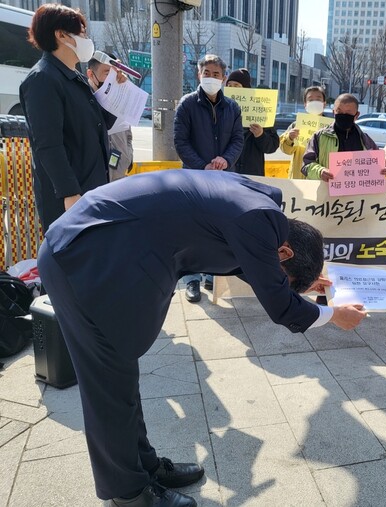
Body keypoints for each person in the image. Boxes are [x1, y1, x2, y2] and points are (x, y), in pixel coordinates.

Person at [37, 170, 368, 507]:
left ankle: (144, 469)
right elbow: (281, 307)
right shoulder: (257, 220)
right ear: (283, 252)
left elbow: (254, 267)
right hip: (83, 260)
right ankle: (129, 493)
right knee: (107, 386)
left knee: (120, 379)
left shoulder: (263, 211)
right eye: (283, 271)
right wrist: (333, 315)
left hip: (104, 253)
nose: (274, 273)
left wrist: (301, 284)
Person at [19, 3, 113, 231]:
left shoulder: (74, 77)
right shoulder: (43, 79)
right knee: (74, 261)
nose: (86, 38)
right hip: (70, 199)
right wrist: (70, 193)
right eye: (81, 33)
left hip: (92, 189)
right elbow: (48, 146)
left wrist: (115, 89)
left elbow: (101, 124)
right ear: (61, 35)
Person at [174, 54, 244, 302]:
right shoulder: (187, 104)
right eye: (207, 73)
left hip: (225, 179)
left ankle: (213, 276)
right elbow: (180, 142)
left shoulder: (233, 107)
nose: (212, 78)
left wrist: (226, 160)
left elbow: (238, 140)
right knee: (193, 230)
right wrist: (203, 166)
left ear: (224, 77)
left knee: (220, 230)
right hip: (194, 180)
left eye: (217, 74)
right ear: (199, 74)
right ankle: (192, 279)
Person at [302, 93, 379, 181]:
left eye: (348, 113)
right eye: (339, 111)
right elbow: (306, 165)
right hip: (326, 192)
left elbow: (378, 166)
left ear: (356, 115)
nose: (343, 115)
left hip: (357, 193)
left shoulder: (365, 140)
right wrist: (320, 172)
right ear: (333, 112)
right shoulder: (319, 137)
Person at [86, 52, 134, 182]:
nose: (111, 79)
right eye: (107, 74)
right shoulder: (84, 100)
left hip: (120, 174)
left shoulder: (119, 96)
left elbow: (128, 132)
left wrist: (129, 156)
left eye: (114, 74)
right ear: (90, 74)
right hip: (97, 178)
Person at [225, 68, 280, 176]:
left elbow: (272, 146)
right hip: (227, 171)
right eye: (229, 85)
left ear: (246, 89)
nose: (232, 89)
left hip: (252, 172)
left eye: (236, 85)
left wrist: (260, 135)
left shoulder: (260, 113)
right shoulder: (221, 110)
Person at [280, 86, 327, 179]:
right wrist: (289, 138)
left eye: (318, 99)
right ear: (305, 104)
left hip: (322, 178)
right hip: (299, 177)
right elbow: (286, 150)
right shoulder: (296, 125)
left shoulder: (330, 127)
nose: (314, 102)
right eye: (310, 100)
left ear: (324, 104)